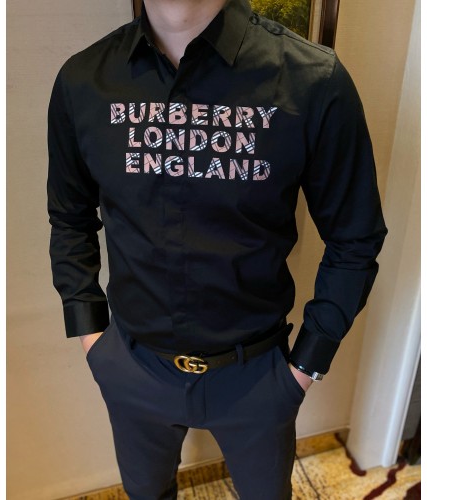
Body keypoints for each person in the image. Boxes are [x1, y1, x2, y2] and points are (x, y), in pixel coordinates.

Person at [47, 0, 387, 498]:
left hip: (259, 378)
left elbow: (355, 237)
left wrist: (305, 367)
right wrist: (92, 338)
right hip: (133, 368)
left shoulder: (313, 80)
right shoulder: (82, 81)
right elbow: (69, 218)